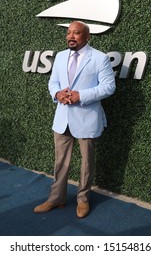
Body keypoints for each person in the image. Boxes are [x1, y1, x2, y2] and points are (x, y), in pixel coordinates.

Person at [33, 21, 116, 218]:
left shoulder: (99, 58)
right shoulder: (61, 57)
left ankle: (83, 199)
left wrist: (82, 95)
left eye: (76, 33)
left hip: (87, 118)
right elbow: (53, 82)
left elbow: (108, 87)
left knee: (87, 163)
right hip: (62, 118)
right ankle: (56, 198)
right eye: (69, 33)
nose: (71, 36)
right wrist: (57, 93)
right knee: (60, 162)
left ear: (87, 37)